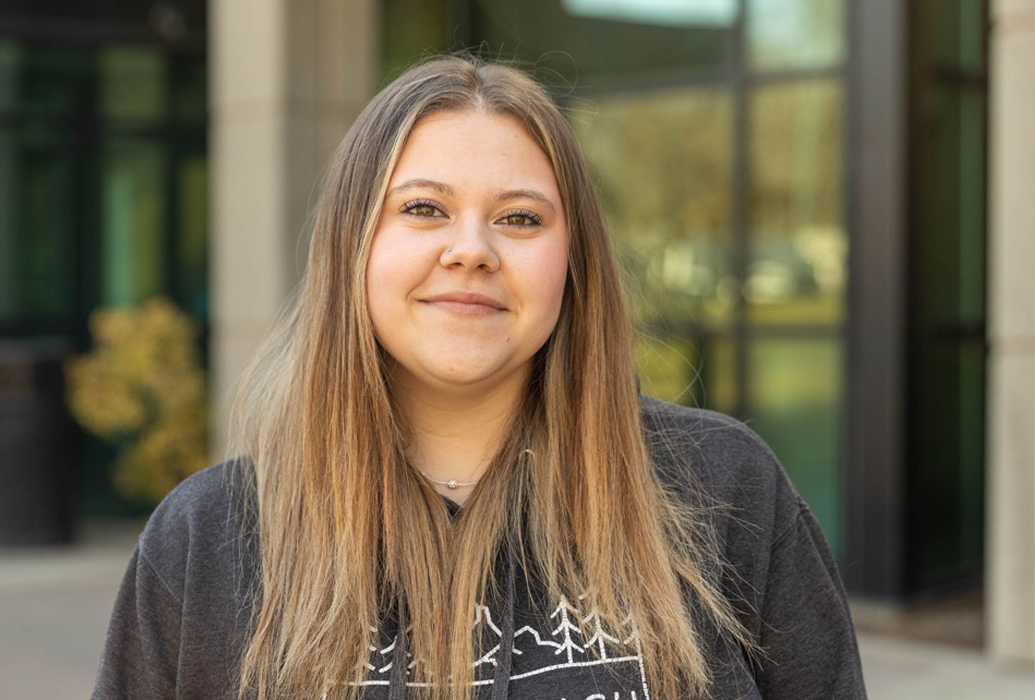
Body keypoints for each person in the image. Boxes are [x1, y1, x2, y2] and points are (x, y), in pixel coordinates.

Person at [91, 55, 866, 700]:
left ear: (574, 263)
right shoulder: (209, 541)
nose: (472, 250)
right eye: (424, 209)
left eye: (520, 218)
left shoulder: (725, 491)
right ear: (350, 250)